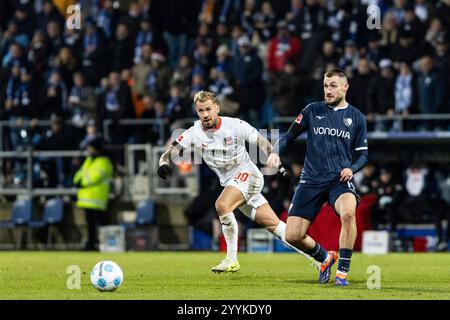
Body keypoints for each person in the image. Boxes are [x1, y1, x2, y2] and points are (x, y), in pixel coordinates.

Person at [157, 90, 319, 273]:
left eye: (208, 109)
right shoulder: (194, 132)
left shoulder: (235, 125)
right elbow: (170, 150)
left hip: (248, 175)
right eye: (200, 110)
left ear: (217, 108)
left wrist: (275, 159)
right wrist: (163, 162)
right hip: (232, 184)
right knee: (277, 227)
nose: (205, 114)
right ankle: (321, 258)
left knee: (222, 205)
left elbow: (262, 142)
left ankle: (231, 259)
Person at [267, 69, 368, 286]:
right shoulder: (312, 110)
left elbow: (363, 154)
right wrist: (275, 152)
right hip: (310, 180)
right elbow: (289, 136)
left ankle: (342, 272)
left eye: (333, 85)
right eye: (325, 85)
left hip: (338, 181)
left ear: (345, 87)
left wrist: (352, 169)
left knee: (349, 212)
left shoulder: (357, 117)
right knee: (292, 236)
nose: (328, 90)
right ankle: (325, 258)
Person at [73, 137, 113, 251]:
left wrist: (82, 182)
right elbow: (80, 173)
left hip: (97, 199)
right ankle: (91, 244)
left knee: (101, 224)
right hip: (87, 199)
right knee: (90, 225)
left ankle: (103, 245)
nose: (89, 151)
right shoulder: (89, 160)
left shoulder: (104, 161)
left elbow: (95, 177)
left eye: (90, 148)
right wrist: (77, 181)